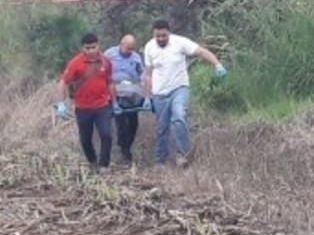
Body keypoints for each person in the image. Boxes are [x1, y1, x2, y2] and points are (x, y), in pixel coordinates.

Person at [143, 19, 228, 167]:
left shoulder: (180, 42)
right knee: (162, 127)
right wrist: (147, 96)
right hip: (159, 93)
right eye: (158, 36)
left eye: (164, 35)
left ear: (169, 32)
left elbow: (201, 51)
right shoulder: (149, 47)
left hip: (179, 88)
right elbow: (148, 74)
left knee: (179, 117)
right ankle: (160, 160)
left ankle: (184, 155)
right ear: (153, 34)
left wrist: (217, 64)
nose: (161, 39)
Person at [56, 33, 117, 171]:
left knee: (106, 134)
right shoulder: (75, 63)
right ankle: (92, 162)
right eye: (87, 48)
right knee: (85, 139)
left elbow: (110, 83)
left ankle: (104, 164)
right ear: (83, 48)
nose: (90, 51)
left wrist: (115, 102)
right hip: (83, 108)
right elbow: (63, 82)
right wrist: (61, 104)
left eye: (93, 47)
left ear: (98, 45)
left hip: (102, 106)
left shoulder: (106, 62)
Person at [104, 34, 147, 164]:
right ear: (121, 44)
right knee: (121, 120)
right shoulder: (109, 54)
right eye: (128, 49)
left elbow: (142, 74)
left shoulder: (135, 57)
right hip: (114, 91)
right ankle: (124, 149)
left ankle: (127, 146)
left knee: (133, 122)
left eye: (132, 49)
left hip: (131, 92)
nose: (130, 52)